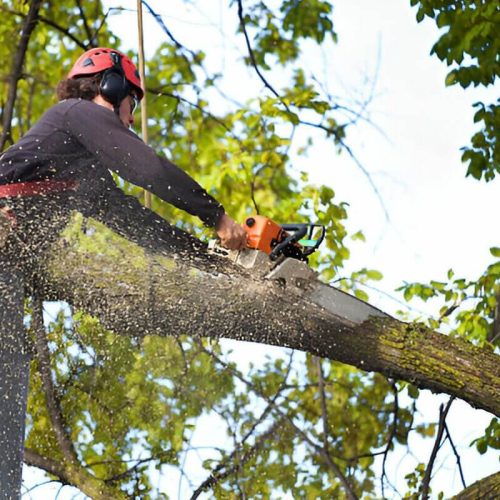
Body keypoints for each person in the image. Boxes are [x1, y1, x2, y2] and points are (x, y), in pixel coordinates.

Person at [0, 47, 247, 497]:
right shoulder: (74, 113)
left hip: (8, 269)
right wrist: (217, 216)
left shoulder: (83, 171)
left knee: (11, 366)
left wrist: (215, 263)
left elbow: (139, 225)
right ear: (110, 88)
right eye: (132, 104)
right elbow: (146, 166)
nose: (130, 119)